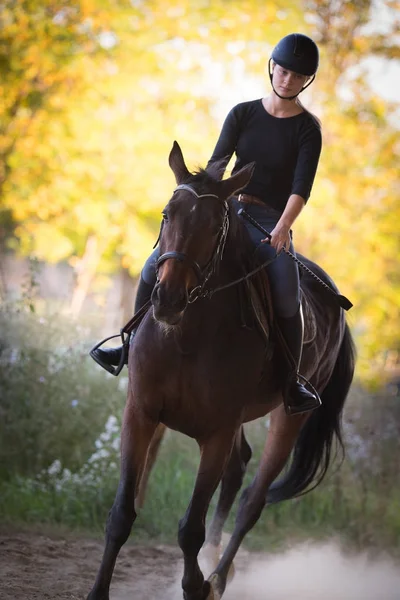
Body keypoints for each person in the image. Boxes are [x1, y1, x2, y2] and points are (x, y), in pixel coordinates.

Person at [91, 33, 322, 416]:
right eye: (282, 71)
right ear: (272, 69)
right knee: (154, 266)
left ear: (305, 81)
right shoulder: (242, 113)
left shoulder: (307, 130)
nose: (287, 79)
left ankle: (292, 381)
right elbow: (218, 163)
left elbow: (302, 188)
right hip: (228, 208)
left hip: (271, 220)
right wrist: (203, 201)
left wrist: (282, 228)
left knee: (286, 291)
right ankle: (127, 345)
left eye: (296, 75)